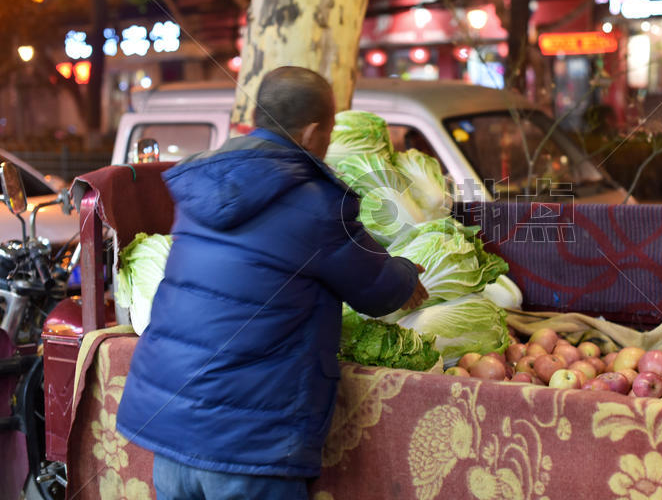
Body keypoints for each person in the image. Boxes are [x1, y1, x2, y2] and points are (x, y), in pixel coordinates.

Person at [116, 66, 428, 499]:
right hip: (249, 446)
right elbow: (376, 290)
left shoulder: (205, 182)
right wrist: (408, 273)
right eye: (332, 129)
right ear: (314, 131)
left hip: (171, 435)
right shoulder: (315, 201)